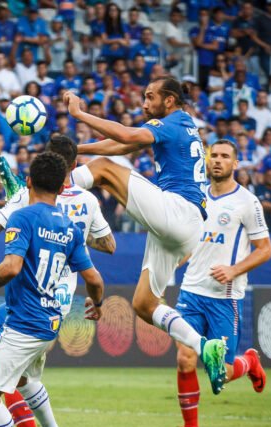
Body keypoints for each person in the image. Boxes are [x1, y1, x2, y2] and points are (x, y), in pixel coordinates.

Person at [62, 76, 228, 393]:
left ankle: (50, 193)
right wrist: (76, 148)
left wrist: (80, 115)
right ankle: (205, 347)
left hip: (179, 211)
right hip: (185, 227)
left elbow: (124, 136)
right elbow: (124, 144)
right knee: (144, 304)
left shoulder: (174, 121)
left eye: (150, 97)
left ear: (169, 100)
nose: (144, 103)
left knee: (104, 170)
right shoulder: (181, 125)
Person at [0, 135, 115, 427]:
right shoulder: (85, 203)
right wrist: (74, 239)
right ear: (72, 167)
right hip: (58, 301)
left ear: (31, 177)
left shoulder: (23, 203)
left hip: (31, 300)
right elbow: (109, 245)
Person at [173, 140, 271, 427]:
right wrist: (178, 259)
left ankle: (249, 362)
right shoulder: (195, 197)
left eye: (224, 156)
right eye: (213, 155)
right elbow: (193, 240)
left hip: (223, 297)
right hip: (191, 291)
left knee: (222, 373)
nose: (218, 160)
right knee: (185, 359)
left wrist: (233, 269)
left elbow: (265, 249)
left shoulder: (247, 202)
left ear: (235, 163)